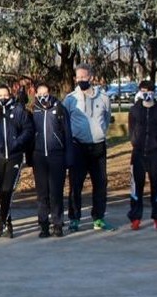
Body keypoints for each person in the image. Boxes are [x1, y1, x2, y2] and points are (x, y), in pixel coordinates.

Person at [63, 63, 114, 232]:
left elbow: (106, 119)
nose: (81, 80)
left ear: (91, 77)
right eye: (78, 77)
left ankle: (98, 218)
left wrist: (100, 133)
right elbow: (64, 123)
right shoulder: (70, 99)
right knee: (75, 185)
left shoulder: (104, 97)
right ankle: (74, 219)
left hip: (98, 147)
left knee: (100, 183)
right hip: (78, 147)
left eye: (84, 77)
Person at [0, 85, 34, 238]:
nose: (3, 97)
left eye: (6, 94)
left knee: (8, 189)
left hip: (15, 156)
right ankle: (8, 224)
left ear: (10, 95)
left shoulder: (19, 110)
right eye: (0, 95)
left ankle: (1, 220)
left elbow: (28, 129)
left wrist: (17, 142)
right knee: (1, 192)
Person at [28, 84, 74, 238]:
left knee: (56, 192)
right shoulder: (33, 110)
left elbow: (67, 133)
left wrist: (68, 157)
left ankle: (58, 223)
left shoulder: (59, 109)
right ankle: (44, 225)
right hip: (39, 156)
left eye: (45, 93)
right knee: (42, 194)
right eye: (39, 93)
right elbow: (29, 134)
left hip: (57, 156)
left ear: (50, 93)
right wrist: (29, 158)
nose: (43, 96)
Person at [127, 80, 157, 231]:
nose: (147, 94)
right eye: (144, 91)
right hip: (138, 153)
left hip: (155, 154)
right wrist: (134, 141)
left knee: (156, 188)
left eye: (149, 91)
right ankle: (135, 217)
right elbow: (131, 129)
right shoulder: (134, 110)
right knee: (136, 187)